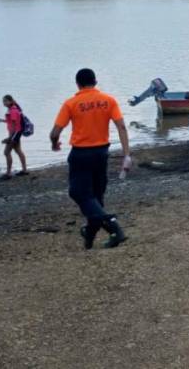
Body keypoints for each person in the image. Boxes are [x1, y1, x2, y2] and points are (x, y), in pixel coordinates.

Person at [50, 68, 132, 250]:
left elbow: (55, 132)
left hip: (81, 154)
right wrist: (127, 154)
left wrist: (54, 143)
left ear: (77, 84)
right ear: (95, 82)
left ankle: (113, 226)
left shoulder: (71, 103)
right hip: (101, 153)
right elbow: (122, 127)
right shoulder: (109, 100)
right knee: (95, 197)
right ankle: (89, 235)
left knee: (78, 193)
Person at [0, 94, 28, 180]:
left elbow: (14, 125)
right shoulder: (13, 109)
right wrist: (1, 120)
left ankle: (8, 174)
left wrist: (9, 138)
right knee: (18, 151)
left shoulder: (12, 111)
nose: (4, 103)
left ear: (11, 101)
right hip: (17, 133)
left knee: (6, 152)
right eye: (3, 101)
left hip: (14, 134)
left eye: (5, 101)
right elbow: (11, 122)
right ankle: (24, 170)